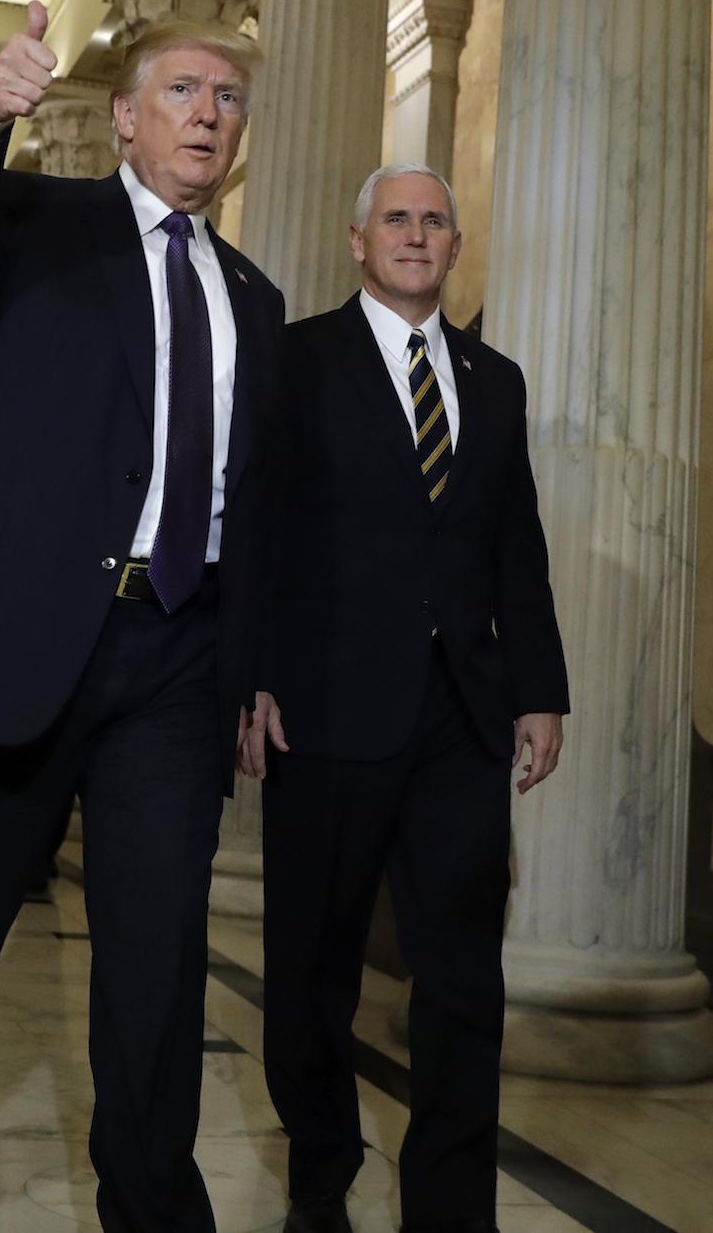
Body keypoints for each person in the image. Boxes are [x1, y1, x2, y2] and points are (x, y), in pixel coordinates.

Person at [0, 6, 284, 1233]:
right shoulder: (37, 224)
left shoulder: (253, 295)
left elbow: (254, 504)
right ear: (128, 117)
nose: (207, 112)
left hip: (174, 664)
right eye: (184, 90)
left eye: (228, 97)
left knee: (155, 972)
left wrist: (251, 669)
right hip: (7, 651)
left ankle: (150, 1209)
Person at [241, 165, 570, 1233]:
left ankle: (448, 1209)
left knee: (463, 980)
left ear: (455, 245)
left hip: (459, 717)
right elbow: (254, 529)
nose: (415, 235)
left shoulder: (495, 378)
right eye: (396, 219)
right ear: (357, 241)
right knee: (310, 971)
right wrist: (247, 674)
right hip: (324, 706)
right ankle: (320, 1175)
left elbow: (514, 542)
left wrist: (538, 688)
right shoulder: (295, 363)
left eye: (433, 221)